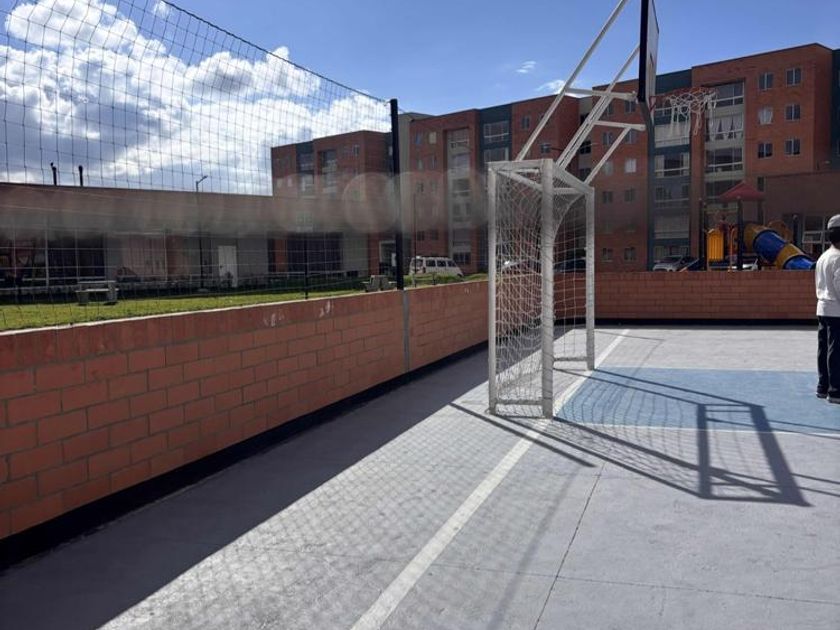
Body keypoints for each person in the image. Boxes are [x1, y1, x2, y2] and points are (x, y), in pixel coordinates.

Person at [815, 214, 840, 403]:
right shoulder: (838, 258)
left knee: (824, 349)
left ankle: (823, 386)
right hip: (836, 309)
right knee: (836, 351)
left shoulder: (823, 256)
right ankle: (836, 390)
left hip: (823, 307)